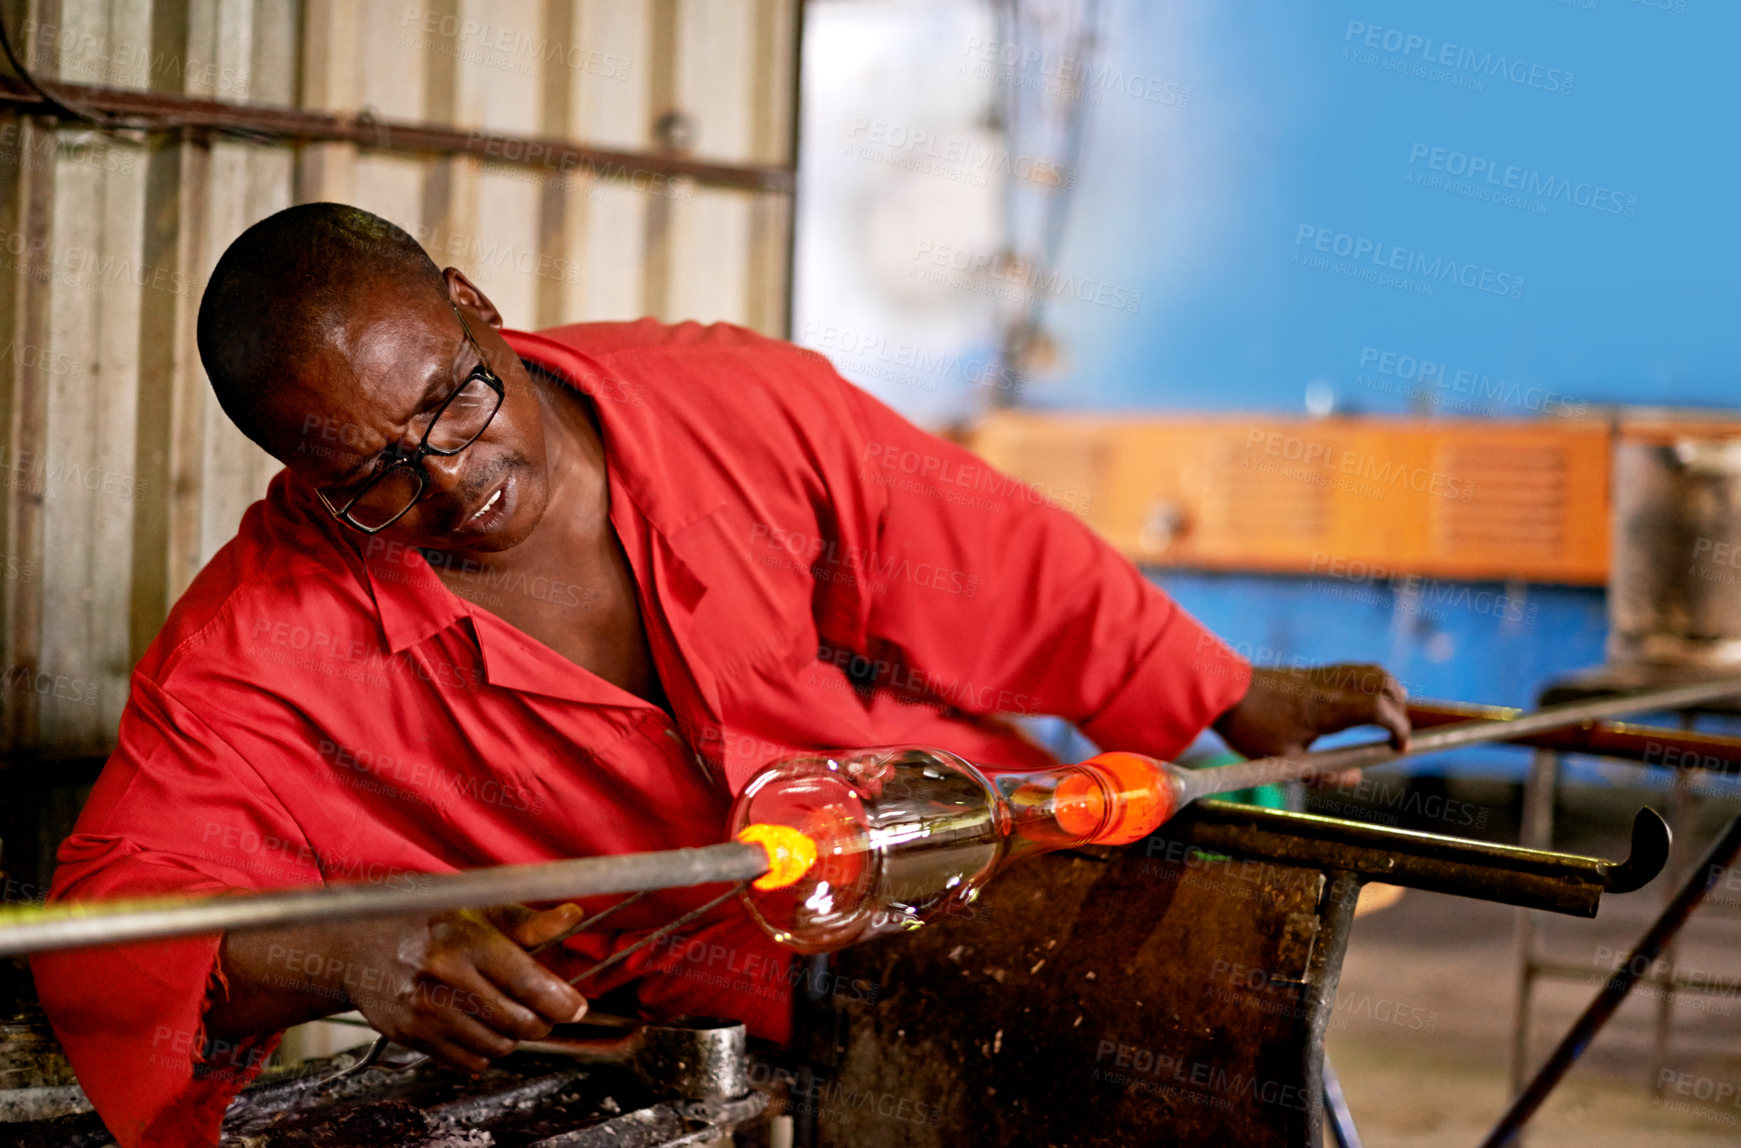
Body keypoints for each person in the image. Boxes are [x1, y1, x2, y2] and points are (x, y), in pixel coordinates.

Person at [31, 203, 1410, 1147]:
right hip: (703, 999)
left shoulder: (727, 403)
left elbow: (982, 553)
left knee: (1214, 1049)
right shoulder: (265, 638)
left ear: (473, 307)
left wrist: (1223, 692)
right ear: (295, 466)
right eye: (371, 474)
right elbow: (106, 920)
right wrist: (343, 954)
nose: (455, 482)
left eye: (455, 401)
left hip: (963, 866)